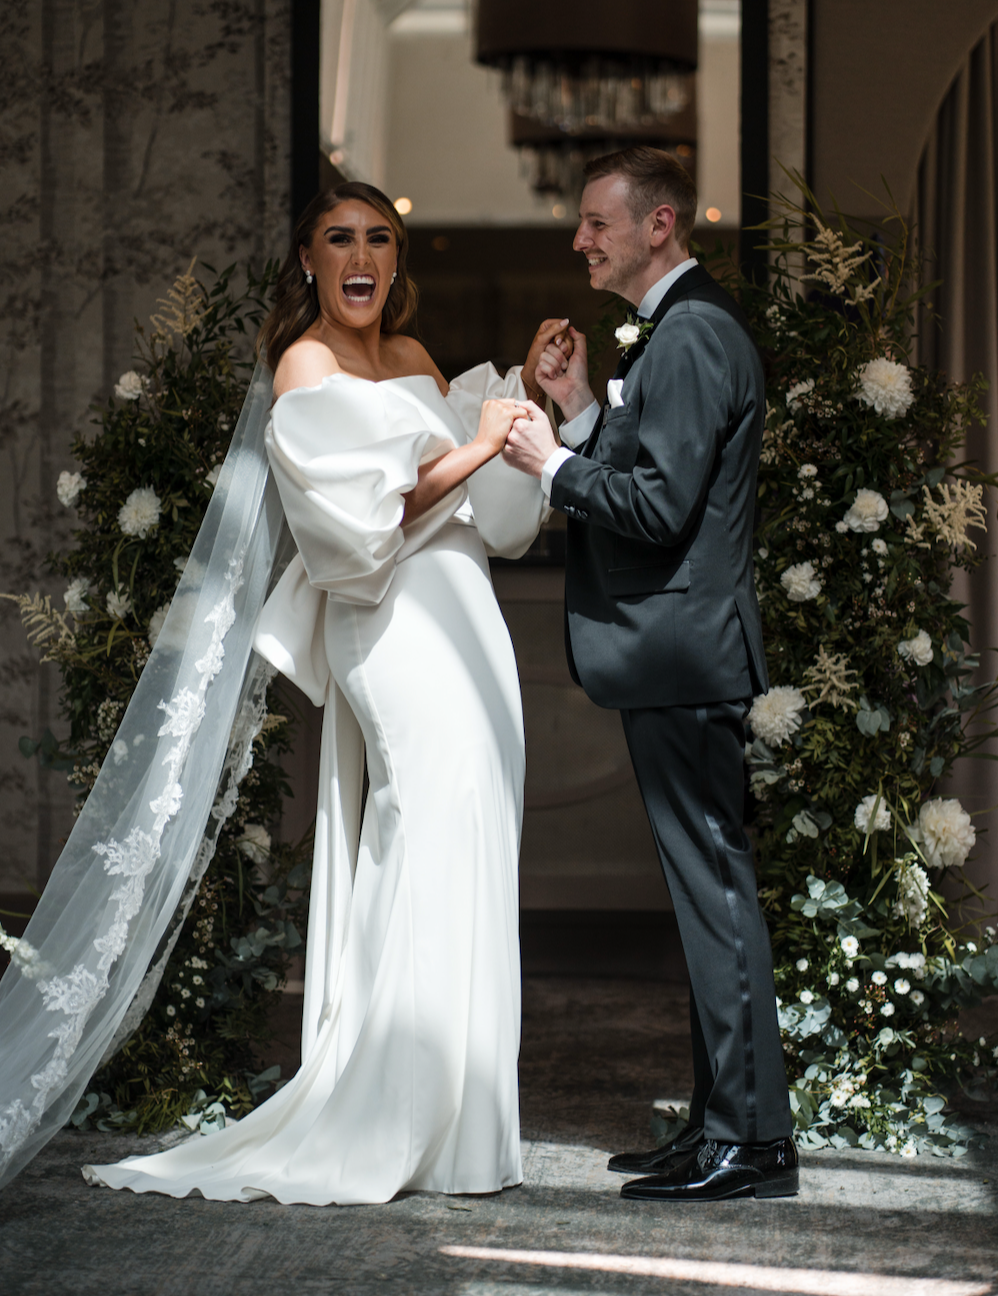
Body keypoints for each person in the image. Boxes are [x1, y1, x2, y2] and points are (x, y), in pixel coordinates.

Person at [79, 181, 560, 1205]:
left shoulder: (418, 360)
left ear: (396, 259)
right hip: (388, 625)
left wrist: (534, 408)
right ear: (306, 259)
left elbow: (500, 515)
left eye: (377, 238)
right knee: (425, 828)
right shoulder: (302, 364)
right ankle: (395, 1106)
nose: (360, 254)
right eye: (338, 238)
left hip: (466, 615)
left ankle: (462, 1128)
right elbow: (354, 531)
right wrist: (474, 441)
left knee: (471, 831)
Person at [502, 146, 798, 1202]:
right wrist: (581, 411)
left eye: (596, 223)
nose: (579, 240)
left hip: (680, 654)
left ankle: (751, 1144)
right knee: (702, 896)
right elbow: (656, 477)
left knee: (712, 897)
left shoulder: (690, 336)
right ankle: (722, 1125)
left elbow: (658, 510)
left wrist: (549, 465)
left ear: (657, 224)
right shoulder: (682, 332)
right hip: (680, 654)